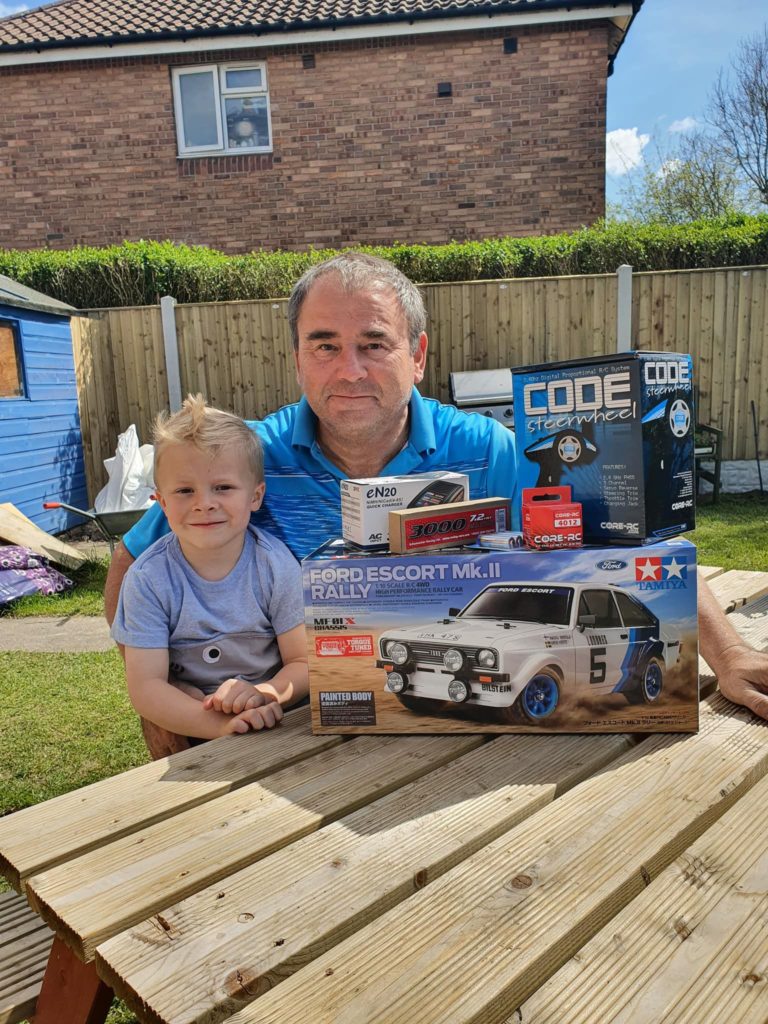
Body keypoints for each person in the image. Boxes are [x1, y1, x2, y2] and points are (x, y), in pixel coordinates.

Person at [105, 252, 768, 741]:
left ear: (418, 355)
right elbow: (130, 566)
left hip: (471, 737)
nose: (349, 369)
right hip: (289, 725)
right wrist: (165, 705)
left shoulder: (487, 450)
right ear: (298, 358)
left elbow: (626, 540)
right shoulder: (242, 462)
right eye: (325, 346)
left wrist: (730, 656)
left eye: (374, 344)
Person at [111, 395, 308, 748]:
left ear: (255, 496)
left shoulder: (276, 566)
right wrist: (220, 726)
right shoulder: (147, 580)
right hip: (193, 728)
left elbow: (303, 662)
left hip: (279, 722)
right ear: (162, 502)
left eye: (223, 487)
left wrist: (264, 694)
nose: (204, 503)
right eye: (185, 490)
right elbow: (146, 688)